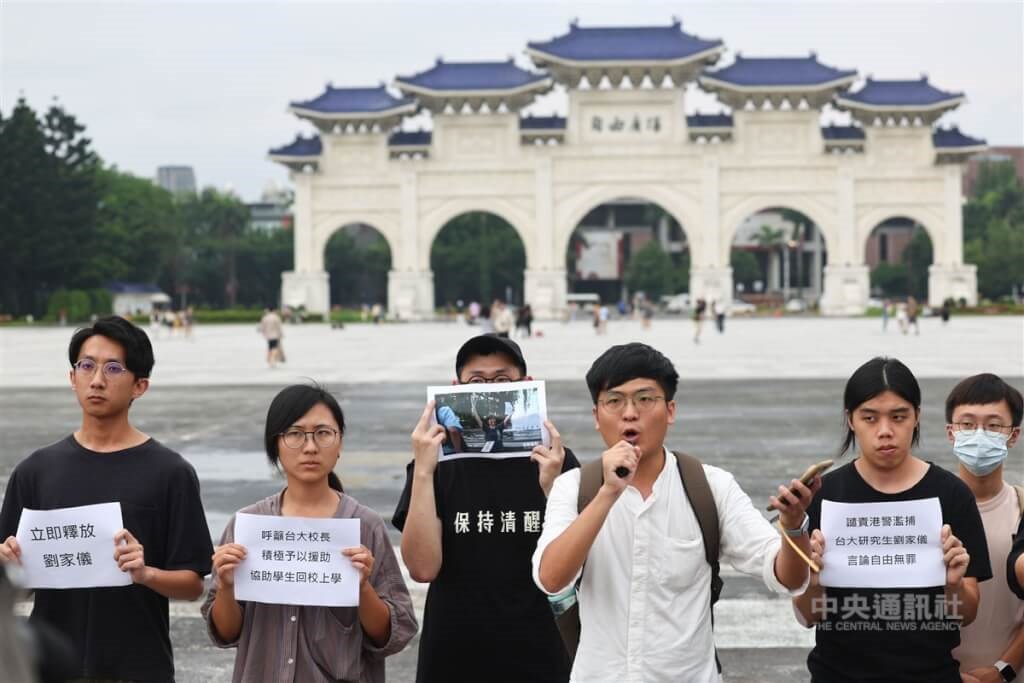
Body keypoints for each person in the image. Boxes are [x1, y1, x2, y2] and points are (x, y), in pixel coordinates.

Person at [532, 342, 820, 682]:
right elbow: (551, 579)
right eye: (614, 401)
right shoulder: (574, 487)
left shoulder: (711, 486)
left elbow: (789, 578)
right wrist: (609, 492)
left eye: (644, 399)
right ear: (597, 416)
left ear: (670, 410)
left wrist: (793, 527)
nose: (629, 413)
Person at [0, 315, 214, 682]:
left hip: (138, 667)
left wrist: (146, 573)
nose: (97, 380)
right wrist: (9, 563)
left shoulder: (170, 473)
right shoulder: (35, 471)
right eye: (87, 365)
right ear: (72, 377)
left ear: (140, 386)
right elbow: (12, 581)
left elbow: (193, 583)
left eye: (113, 368)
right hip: (50, 667)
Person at [394, 334, 580, 682]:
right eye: (477, 381)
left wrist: (554, 485)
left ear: (526, 385)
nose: (491, 390)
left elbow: (576, 565)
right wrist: (422, 468)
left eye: (502, 381)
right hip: (455, 653)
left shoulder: (556, 461)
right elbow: (422, 567)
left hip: (542, 648)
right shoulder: (434, 464)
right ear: (456, 389)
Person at [792, 357, 991, 683]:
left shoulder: (951, 494)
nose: (885, 431)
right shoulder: (823, 495)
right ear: (851, 420)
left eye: (898, 417)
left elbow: (966, 614)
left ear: (917, 417)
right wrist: (813, 584)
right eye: (870, 418)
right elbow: (806, 615)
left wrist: (952, 584)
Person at [202, 384, 417, 682]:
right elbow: (225, 633)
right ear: (274, 445)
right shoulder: (247, 525)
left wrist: (363, 587)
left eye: (323, 433)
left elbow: (391, 635)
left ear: (340, 442)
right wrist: (226, 586)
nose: (310, 447)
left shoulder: (365, 527)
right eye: (294, 434)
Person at [945, 374, 1024, 683]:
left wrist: (1003, 669)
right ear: (951, 432)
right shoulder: (925, 508)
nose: (979, 435)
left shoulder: (1021, 509)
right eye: (967, 424)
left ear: (1013, 435)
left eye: (993, 425)